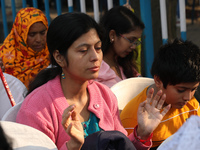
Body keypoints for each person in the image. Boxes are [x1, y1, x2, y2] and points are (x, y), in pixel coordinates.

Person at [16, 12, 171, 150]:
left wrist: (141, 134)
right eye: (83, 51)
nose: (95, 57)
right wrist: (72, 146)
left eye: (98, 48)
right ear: (59, 57)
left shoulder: (104, 95)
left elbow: (118, 145)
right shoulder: (36, 109)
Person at [120, 39, 200, 149]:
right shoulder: (132, 116)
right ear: (158, 80)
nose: (188, 97)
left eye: (193, 89)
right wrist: (142, 135)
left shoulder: (192, 105)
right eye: (181, 90)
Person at [95, 6, 144, 88]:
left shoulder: (125, 64)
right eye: (131, 40)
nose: (134, 47)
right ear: (112, 35)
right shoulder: (95, 67)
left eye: (136, 42)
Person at [0, 7, 50, 88]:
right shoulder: (3, 59)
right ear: (20, 34)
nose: (39, 39)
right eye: (32, 34)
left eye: (42, 33)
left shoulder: (54, 54)